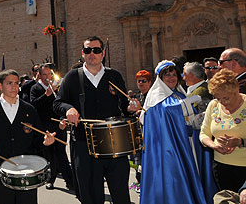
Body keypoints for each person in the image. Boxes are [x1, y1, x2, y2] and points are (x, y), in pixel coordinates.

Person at [53, 36, 140, 204]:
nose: (92, 53)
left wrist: (130, 108)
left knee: (121, 194)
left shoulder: (114, 76)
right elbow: (58, 103)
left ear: (103, 53)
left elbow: (124, 106)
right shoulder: (72, 77)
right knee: (90, 197)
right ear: (82, 53)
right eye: (87, 50)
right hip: (85, 146)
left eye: (96, 50)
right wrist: (68, 109)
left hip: (115, 145)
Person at [140, 60, 217, 204]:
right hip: (167, 149)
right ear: (160, 78)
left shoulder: (179, 95)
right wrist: (188, 103)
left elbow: (187, 117)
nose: (171, 78)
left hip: (186, 143)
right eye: (167, 75)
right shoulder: (156, 98)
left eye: (174, 74)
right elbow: (168, 111)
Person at [0, 69, 55, 204]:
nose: (14, 87)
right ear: (0, 86)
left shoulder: (29, 110)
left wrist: (45, 141)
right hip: (1, 172)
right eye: (9, 83)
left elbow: (37, 137)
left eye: (16, 83)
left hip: (27, 171)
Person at [200, 69, 246, 193]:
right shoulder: (214, 105)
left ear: (237, 90)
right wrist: (213, 145)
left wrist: (240, 142)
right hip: (221, 167)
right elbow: (204, 133)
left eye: (226, 98)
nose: (222, 103)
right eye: (218, 98)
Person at [29, 64, 72, 190]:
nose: (48, 77)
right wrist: (45, 95)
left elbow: (61, 105)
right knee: (49, 155)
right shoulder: (35, 88)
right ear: (40, 75)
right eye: (45, 75)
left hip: (58, 125)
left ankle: (70, 181)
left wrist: (62, 120)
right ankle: (50, 180)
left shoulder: (57, 88)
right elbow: (34, 105)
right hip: (45, 125)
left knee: (62, 153)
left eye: (49, 75)